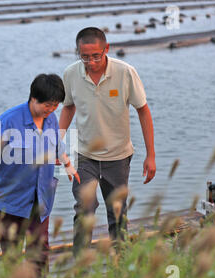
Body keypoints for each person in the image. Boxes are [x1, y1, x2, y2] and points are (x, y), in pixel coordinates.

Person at [60, 27, 156, 257]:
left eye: (96, 56)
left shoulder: (125, 72)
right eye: (84, 56)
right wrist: (56, 141)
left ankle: (121, 266)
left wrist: (151, 155)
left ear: (106, 49)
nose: (91, 62)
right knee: (84, 210)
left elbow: (143, 110)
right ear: (78, 53)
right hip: (86, 157)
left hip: (118, 157)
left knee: (117, 213)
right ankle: (81, 272)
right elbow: (68, 106)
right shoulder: (71, 74)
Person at [0, 74, 80, 278]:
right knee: (11, 254)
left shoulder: (51, 120)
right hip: (11, 200)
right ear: (33, 98)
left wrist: (68, 165)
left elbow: (58, 146)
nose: (51, 110)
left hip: (41, 197)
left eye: (55, 105)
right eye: (47, 105)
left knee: (39, 251)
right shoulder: (8, 121)